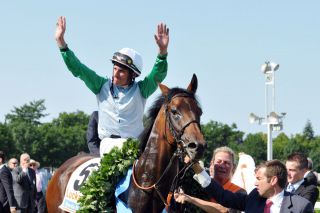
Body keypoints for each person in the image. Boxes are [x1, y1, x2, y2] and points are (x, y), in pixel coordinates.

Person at [55, 16, 169, 154]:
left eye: (121, 71)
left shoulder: (142, 89)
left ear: (133, 75)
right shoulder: (100, 84)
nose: (116, 74)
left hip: (133, 146)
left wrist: (162, 53)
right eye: (115, 68)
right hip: (107, 147)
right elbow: (78, 69)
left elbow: (157, 75)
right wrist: (61, 43)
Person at [188, 159, 313, 213]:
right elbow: (223, 196)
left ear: (273, 180)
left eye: (259, 179)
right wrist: (198, 169)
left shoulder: (301, 206)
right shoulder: (254, 197)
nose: (255, 183)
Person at [175, 147, 246, 213]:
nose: (222, 166)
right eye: (219, 161)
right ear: (212, 163)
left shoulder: (239, 192)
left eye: (226, 163)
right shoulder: (197, 184)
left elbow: (224, 210)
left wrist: (191, 199)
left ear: (234, 167)